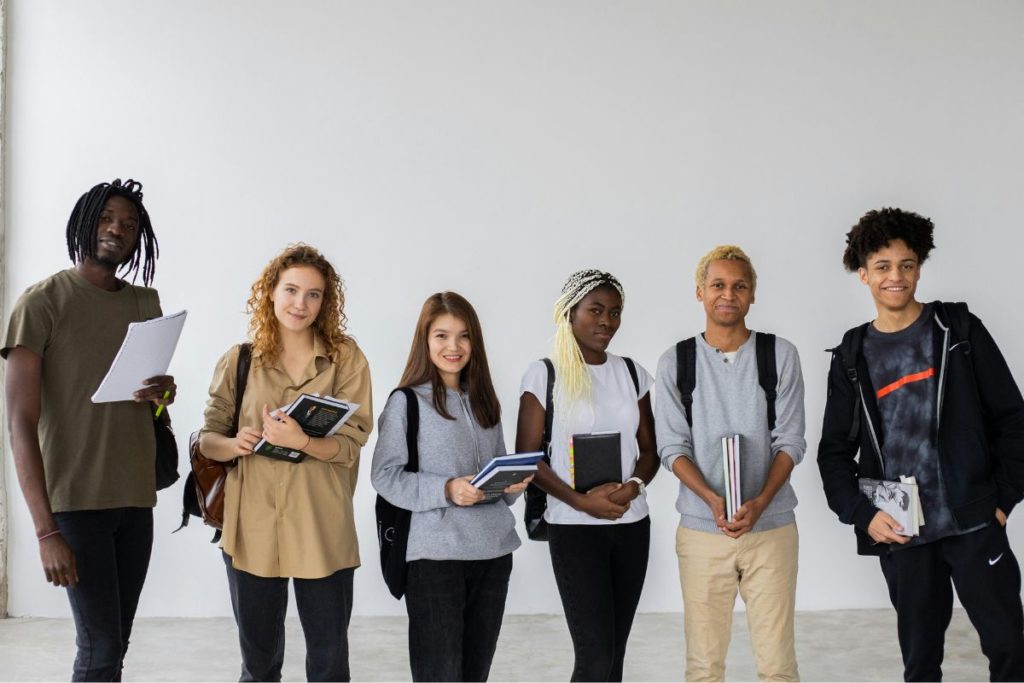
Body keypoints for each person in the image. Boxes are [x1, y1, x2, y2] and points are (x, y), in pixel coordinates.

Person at [818, 208, 1024, 681]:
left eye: (907, 265)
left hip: (973, 523)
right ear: (863, 273)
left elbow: (1014, 420)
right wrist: (865, 516)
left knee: (1010, 649)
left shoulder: (958, 330)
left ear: (919, 268)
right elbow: (833, 453)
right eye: (884, 267)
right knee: (921, 663)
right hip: (905, 533)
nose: (896, 276)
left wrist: (1003, 500)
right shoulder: (853, 355)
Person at [2, 179, 176, 681]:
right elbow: (18, 424)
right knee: (99, 650)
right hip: (75, 504)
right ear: (84, 222)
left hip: (134, 499)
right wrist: (45, 531)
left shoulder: (146, 302)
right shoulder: (41, 304)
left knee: (112, 645)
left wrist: (162, 393)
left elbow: (150, 405)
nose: (116, 229)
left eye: (128, 223)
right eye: (106, 218)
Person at [198, 244, 372, 682]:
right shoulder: (238, 360)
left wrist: (302, 442)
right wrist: (236, 443)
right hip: (251, 527)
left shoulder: (345, 358)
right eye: (291, 290)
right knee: (257, 668)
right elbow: (207, 439)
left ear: (325, 302)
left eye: (314, 295)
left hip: (321, 524)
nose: (300, 304)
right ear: (270, 292)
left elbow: (353, 444)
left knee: (329, 666)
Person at [655, 245, 805, 682]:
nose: (728, 294)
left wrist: (759, 502)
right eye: (718, 285)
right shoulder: (676, 362)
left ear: (753, 294)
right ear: (699, 292)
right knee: (703, 665)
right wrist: (711, 500)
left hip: (772, 527)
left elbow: (791, 440)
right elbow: (672, 447)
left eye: (739, 286)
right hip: (702, 531)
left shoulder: (779, 355)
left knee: (778, 664)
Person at [372, 291, 531, 682]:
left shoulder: (485, 402)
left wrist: (513, 486)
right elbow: (385, 476)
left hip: (493, 556)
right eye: (441, 335)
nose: (453, 347)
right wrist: (446, 489)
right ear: (425, 341)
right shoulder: (405, 403)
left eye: (463, 336)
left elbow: (494, 481)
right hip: (434, 561)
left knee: (475, 675)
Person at [515, 269, 658, 682]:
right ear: (569, 312)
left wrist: (633, 488)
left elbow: (649, 451)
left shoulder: (632, 373)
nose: (607, 321)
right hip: (574, 528)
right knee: (594, 658)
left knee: (614, 656)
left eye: (615, 312)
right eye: (595, 310)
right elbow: (527, 457)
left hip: (631, 524)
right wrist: (580, 501)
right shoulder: (545, 374)